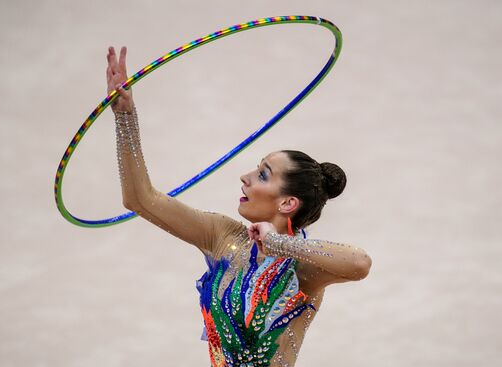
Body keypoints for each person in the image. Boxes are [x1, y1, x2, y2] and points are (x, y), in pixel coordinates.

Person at [107, 46, 372, 367]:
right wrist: (125, 117)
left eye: (262, 175)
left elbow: (359, 263)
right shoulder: (221, 235)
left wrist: (280, 244)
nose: (245, 178)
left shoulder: (301, 268)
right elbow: (140, 199)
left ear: (288, 202)